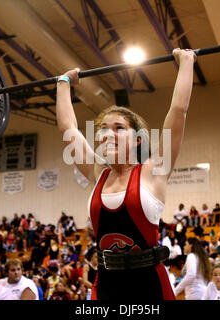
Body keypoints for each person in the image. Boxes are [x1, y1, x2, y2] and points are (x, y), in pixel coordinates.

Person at [56, 48, 196, 300]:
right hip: (107, 282)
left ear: (139, 139)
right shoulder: (97, 172)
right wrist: (64, 82)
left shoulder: (154, 171)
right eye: (104, 130)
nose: (108, 134)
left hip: (149, 285)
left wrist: (186, 61)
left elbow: (178, 112)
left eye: (119, 128)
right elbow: (68, 127)